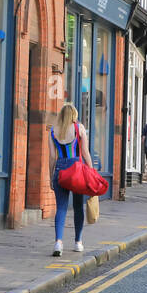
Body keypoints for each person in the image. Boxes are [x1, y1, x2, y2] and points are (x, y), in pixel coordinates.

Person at [49, 101, 94, 257]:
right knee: (77, 207)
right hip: (76, 170)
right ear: (74, 115)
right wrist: (92, 171)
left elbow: (53, 157)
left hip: (60, 170)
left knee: (61, 208)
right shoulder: (79, 128)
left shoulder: (53, 131)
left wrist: (50, 175)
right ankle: (78, 242)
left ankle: (58, 243)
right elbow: (85, 152)